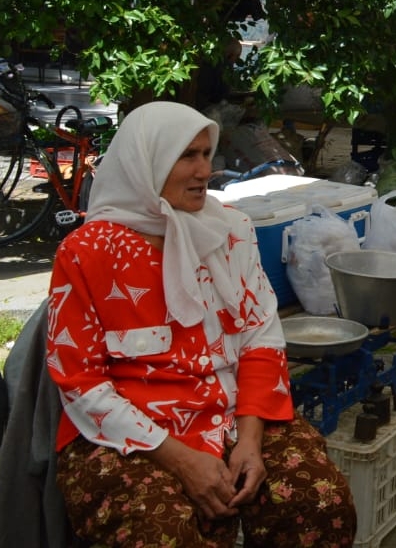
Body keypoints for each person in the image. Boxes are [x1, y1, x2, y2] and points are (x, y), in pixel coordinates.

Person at [44, 102, 356, 547]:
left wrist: (248, 442)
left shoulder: (231, 231)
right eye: (187, 155)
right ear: (145, 161)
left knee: (317, 502)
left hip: (232, 415)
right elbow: (80, 382)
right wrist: (182, 461)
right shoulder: (86, 253)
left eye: (207, 154)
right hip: (127, 434)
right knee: (161, 533)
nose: (204, 170)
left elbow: (261, 337)